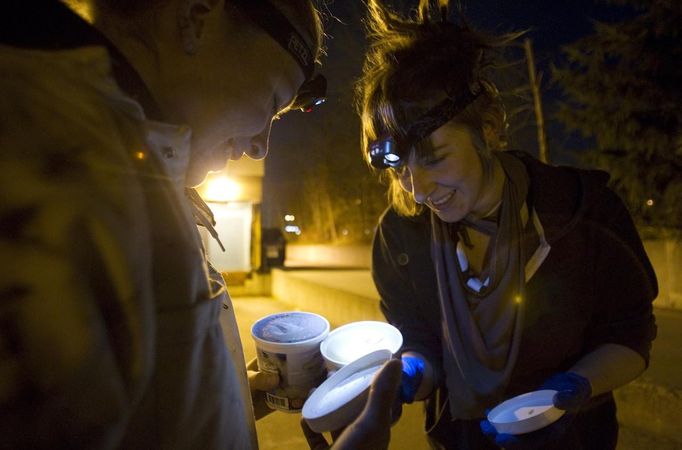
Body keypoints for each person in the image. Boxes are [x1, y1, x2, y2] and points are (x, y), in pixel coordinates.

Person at [0, 1, 400, 448]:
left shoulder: (136, 166)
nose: (260, 147)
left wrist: (222, 395)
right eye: (271, 101)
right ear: (196, 16)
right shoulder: (56, 179)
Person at [356, 0, 659, 449]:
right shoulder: (401, 236)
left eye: (435, 158)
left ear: (490, 128)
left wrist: (572, 390)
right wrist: (409, 374)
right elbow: (421, 343)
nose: (417, 191)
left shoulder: (584, 210)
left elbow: (631, 335)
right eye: (399, 169)